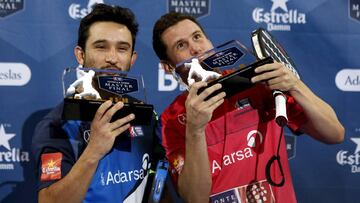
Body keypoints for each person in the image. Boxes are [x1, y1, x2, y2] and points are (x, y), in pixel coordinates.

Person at [152, 12, 345, 203]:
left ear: (209, 41)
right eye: (181, 45)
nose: (195, 48)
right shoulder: (171, 120)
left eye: (197, 37)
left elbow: (335, 134)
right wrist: (195, 130)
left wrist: (295, 85)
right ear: (168, 67)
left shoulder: (257, 83)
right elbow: (195, 198)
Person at [32, 4, 164, 203]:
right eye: (101, 47)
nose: (112, 58)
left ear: (132, 58)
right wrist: (94, 151)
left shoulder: (147, 116)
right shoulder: (56, 125)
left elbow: (160, 183)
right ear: (80, 55)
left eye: (122, 49)